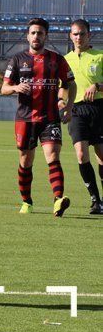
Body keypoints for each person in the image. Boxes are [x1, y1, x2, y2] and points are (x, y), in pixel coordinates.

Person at [1, 18, 75, 216]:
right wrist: (16, 87)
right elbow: (4, 88)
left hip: (50, 118)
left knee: (53, 156)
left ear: (46, 36)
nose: (36, 36)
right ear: (27, 36)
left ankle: (58, 199)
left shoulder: (56, 59)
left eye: (40, 33)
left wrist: (67, 106)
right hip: (25, 119)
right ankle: (27, 201)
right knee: (26, 161)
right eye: (33, 33)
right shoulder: (17, 60)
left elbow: (70, 83)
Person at [63, 19, 103, 214]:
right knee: (81, 154)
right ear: (71, 36)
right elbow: (62, 88)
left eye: (82, 34)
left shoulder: (100, 56)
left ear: (89, 35)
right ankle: (95, 200)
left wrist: (98, 86)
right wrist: (61, 102)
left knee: (102, 157)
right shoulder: (65, 60)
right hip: (76, 110)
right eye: (75, 34)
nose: (79, 37)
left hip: (99, 108)